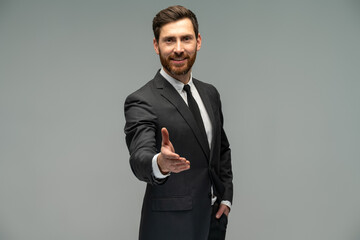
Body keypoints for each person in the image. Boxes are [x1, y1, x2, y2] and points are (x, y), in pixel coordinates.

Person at [124, 5, 233, 240]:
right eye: (169, 40)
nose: (179, 49)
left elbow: (221, 149)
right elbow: (139, 157)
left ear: (198, 41)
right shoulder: (142, 100)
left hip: (213, 223)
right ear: (156, 45)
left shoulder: (210, 93)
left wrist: (226, 197)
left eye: (186, 39)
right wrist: (160, 163)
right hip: (169, 228)